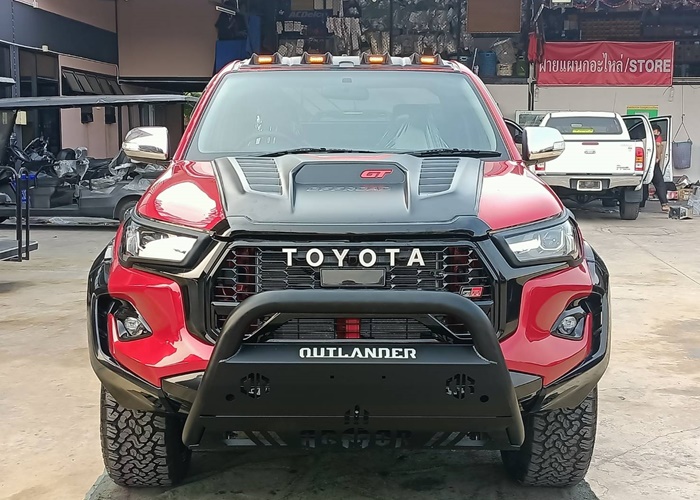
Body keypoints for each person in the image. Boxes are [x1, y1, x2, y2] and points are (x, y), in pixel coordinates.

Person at [651, 125, 670, 213]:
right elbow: (658, 146)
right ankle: (664, 204)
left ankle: (640, 204)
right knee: (659, 183)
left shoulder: (645, 137)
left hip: (644, 164)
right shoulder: (657, 138)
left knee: (643, 184)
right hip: (653, 164)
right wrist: (658, 158)